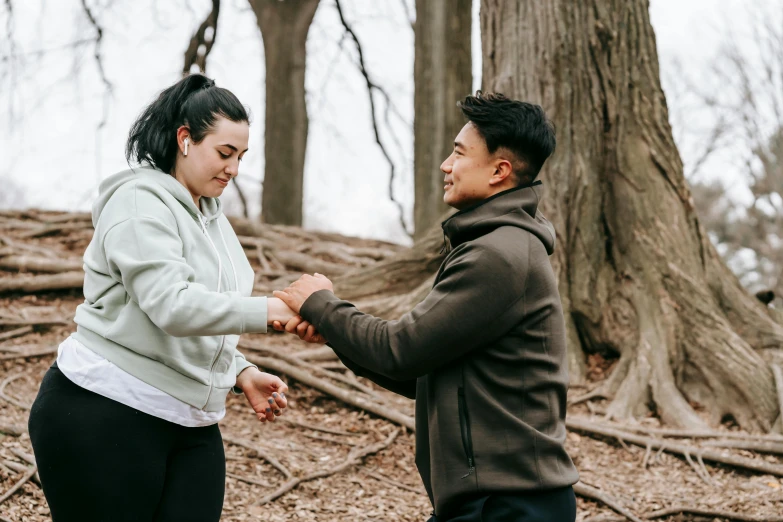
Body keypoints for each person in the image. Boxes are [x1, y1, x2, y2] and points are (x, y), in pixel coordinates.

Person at [274, 92, 580, 521]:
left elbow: (400, 350)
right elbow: (427, 371)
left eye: (458, 153)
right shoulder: (498, 245)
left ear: (500, 171)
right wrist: (335, 331)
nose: (445, 165)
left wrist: (322, 303)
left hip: (509, 505)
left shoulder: (499, 255)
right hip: (495, 501)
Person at [28, 74, 318, 522]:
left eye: (241, 156)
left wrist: (239, 372)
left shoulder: (210, 216)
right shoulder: (139, 202)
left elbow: (206, 306)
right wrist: (274, 310)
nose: (234, 169)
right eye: (225, 153)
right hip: (103, 409)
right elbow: (172, 305)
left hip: (191, 423)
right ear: (185, 139)